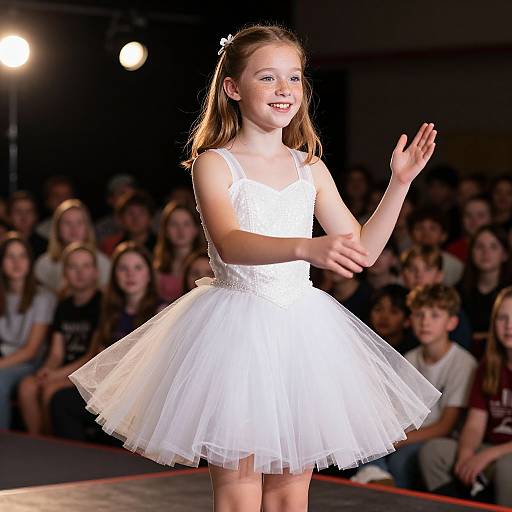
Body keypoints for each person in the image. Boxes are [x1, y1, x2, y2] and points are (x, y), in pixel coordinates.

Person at [68, 25, 440, 511]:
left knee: (292, 486)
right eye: (268, 77)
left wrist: (399, 184)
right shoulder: (216, 164)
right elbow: (231, 243)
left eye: (294, 78)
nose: (285, 90)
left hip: (302, 334)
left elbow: (362, 251)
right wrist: (307, 248)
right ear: (233, 88)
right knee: (239, 488)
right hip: (236, 333)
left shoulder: (310, 167)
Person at [352, 283, 476, 488]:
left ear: (452, 322)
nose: (425, 322)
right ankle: (375, 478)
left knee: (400, 460)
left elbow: (446, 426)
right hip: (407, 432)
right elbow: (396, 412)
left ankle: (386, 489)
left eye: (435, 315)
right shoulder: (410, 358)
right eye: (419, 315)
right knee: (369, 442)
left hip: (436, 437)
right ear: (410, 320)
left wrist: (398, 440)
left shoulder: (462, 363)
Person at [50, 241, 163, 441]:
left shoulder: (161, 312)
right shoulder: (111, 311)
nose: (130, 274)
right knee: (61, 400)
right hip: (111, 390)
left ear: (148, 274)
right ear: (114, 275)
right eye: (123, 268)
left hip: (142, 396)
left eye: (138, 268)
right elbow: (101, 358)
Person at [419, 286, 512, 507]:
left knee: (507, 467)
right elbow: (474, 426)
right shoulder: (488, 368)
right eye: (502, 318)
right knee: (434, 452)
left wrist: (486, 457)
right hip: (490, 447)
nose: (509, 326)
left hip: (505, 455)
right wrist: (466, 454)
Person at [17, 243, 102, 434]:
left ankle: (53, 446)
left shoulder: (102, 304)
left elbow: (92, 356)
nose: (80, 272)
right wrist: (48, 369)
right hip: (63, 368)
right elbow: (56, 352)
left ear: (95, 272)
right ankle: (36, 440)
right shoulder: (63, 307)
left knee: (50, 391)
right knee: (27, 386)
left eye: (86, 266)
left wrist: (57, 375)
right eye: (73, 267)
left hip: (86, 372)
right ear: (65, 273)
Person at [0, 233, 56, 430]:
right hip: (6, 356)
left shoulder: (42, 298)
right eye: (10, 257)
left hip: (31, 362)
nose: (17, 263)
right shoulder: (2, 295)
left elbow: (31, 350)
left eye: (22, 256)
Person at [400, 244, 472, 351]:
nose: (419, 275)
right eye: (412, 269)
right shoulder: (397, 306)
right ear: (403, 275)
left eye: (427, 269)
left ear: (439, 276)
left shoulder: (450, 309)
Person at [457, 224, 511, 358]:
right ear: (471, 252)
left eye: (493, 247)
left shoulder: (510, 293)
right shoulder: (458, 291)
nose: (486, 253)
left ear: (504, 254)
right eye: (480, 246)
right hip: (466, 355)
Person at [34, 199, 110, 293]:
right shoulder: (43, 264)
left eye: (79, 223)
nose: (74, 229)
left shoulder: (102, 262)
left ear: (87, 227)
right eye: (67, 223)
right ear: (57, 228)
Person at [153, 201, 204, 302]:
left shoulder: (206, 263)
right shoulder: (157, 265)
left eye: (186, 224)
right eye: (174, 224)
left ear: (196, 229)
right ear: (166, 231)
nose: (180, 230)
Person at [406, 207, 464, 286]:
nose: (426, 234)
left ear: (444, 235)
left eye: (433, 228)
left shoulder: (455, 266)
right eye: (419, 228)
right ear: (410, 234)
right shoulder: (401, 261)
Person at [100, 190, 157, 256]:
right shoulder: (111, 247)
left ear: (151, 218)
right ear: (121, 219)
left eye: (141, 213)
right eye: (130, 213)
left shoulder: (161, 246)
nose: (135, 218)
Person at [446, 195, 492, 264]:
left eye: (480, 215)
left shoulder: (499, 248)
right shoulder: (453, 250)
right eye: (468, 215)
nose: (473, 220)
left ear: (491, 219)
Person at [7, 191, 48, 259]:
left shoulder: (45, 246)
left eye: (28, 211)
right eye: (18, 211)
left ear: (36, 216)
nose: (23, 217)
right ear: (9, 215)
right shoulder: (2, 243)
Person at [35, 176, 75, 240]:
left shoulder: (86, 228)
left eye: (66, 195)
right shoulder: (41, 231)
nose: (62, 200)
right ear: (48, 201)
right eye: (56, 196)